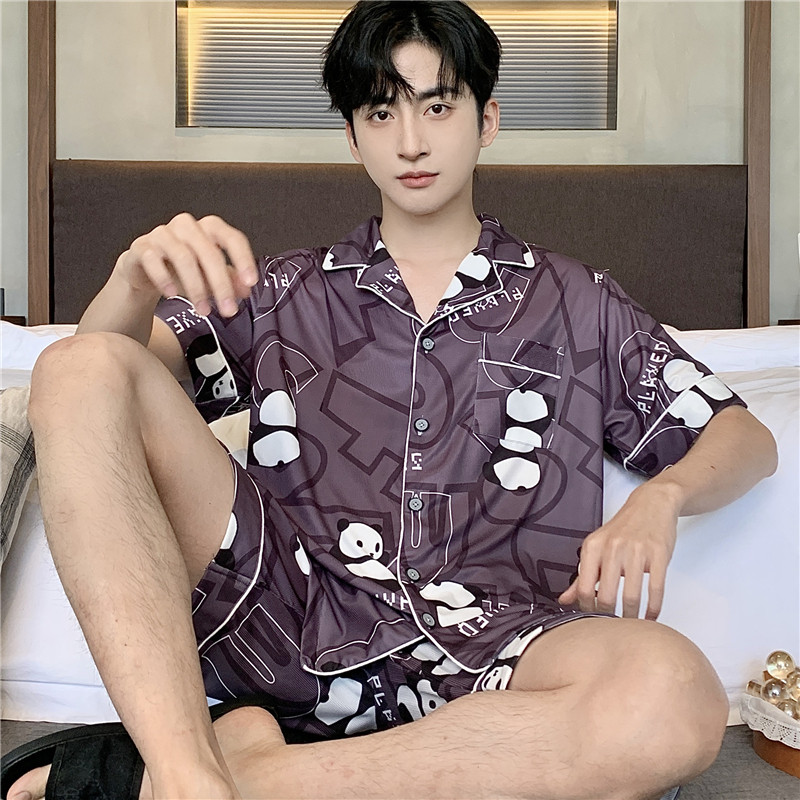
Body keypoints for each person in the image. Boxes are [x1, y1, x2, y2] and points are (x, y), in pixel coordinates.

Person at [4, 2, 777, 799]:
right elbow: (100, 391)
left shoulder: (580, 305)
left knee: (674, 697)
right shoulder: (280, 292)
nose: (410, 141)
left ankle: (226, 780)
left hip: (501, 649)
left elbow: (745, 437)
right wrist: (131, 282)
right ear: (353, 136)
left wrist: (662, 497)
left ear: (486, 120)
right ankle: (189, 771)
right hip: (282, 616)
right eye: (381, 113)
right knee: (76, 366)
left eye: (437, 107)